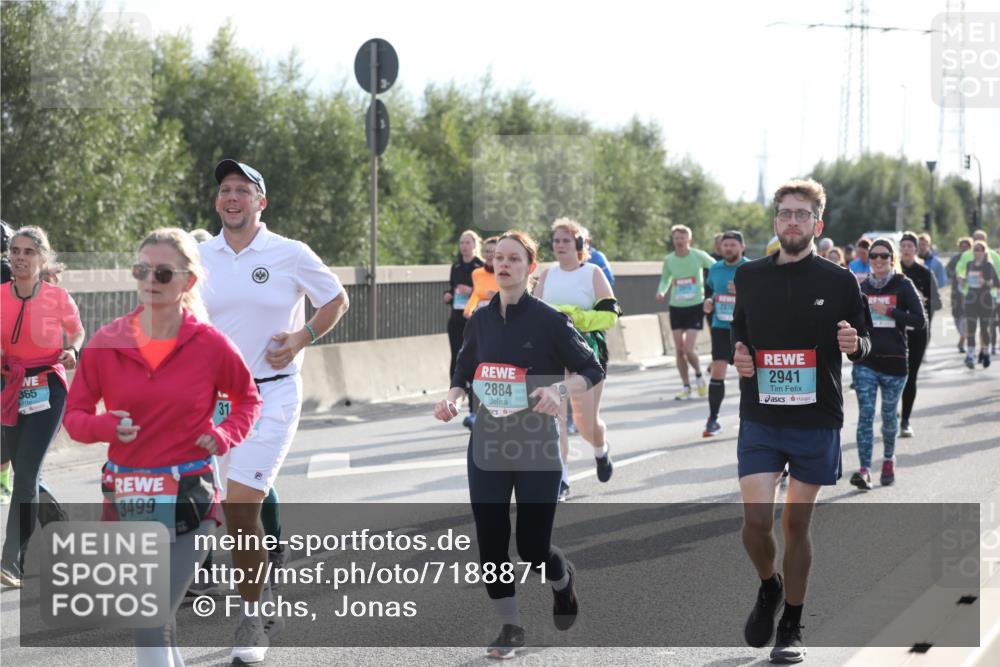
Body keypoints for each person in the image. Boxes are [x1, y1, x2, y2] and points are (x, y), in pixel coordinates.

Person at [63, 228, 262, 666]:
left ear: (188, 282)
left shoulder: (209, 344)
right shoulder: (107, 341)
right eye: (142, 269)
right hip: (128, 498)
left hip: (189, 496)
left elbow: (248, 398)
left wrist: (225, 434)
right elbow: (74, 417)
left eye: (164, 272)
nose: (150, 279)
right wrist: (104, 426)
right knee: (154, 621)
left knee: (150, 619)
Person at [200, 159, 349, 663]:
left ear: (261, 202)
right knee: (236, 510)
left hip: (273, 394)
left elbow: (336, 300)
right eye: (225, 189)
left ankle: (249, 622)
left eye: (243, 189)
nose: (233, 197)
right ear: (217, 201)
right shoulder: (199, 257)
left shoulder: (290, 253)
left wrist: (303, 335)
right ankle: (262, 596)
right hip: (217, 403)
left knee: (242, 506)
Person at [433, 230, 603, 659]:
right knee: (490, 541)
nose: (503, 264)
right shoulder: (481, 319)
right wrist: (453, 398)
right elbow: (465, 368)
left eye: (513, 259)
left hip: (535, 446)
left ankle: (562, 582)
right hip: (489, 444)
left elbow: (592, 368)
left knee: (532, 546)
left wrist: (559, 392)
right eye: (498, 259)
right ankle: (510, 625)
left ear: (531, 268)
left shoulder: (550, 320)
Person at [731, 178, 871, 663]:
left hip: (816, 419)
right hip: (761, 416)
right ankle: (769, 586)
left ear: (818, 223)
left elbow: (866, 338)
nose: (793, 221)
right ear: (776, 220)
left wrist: (856, 342)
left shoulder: (839, 281)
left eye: (802, 214)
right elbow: (738, 332)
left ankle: (791, 623)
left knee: (795, 522)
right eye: (785, 213)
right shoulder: (748, 277)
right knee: (754, 523)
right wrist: (739, 354)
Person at [0, 226, 85, 587]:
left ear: (42, 258)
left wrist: (73, 350)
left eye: (28, 252)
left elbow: (77, 331)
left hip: (47, 387)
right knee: (15, 462)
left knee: (27, 473)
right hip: (8, 385)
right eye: (15, 251)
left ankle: (10, 562)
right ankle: (55, 523)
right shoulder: (0, 295)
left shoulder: (57, 297)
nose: (20, 257)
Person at [534, 219, 618, 501]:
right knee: (554, 418)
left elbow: (610, 314)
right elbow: (532, 311)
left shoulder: (593, 273)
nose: (560, 246)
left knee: (585, 422)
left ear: (580, 244)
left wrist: (576, 317)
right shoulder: (546, 275)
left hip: (586, 350)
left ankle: (600, 449)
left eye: (566, 241)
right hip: (552, 352)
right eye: (556, 241)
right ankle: (562, 479)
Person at [850, 238, 926, 489]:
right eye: (874, 256)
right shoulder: (861, 287)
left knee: (889, 418)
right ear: (869, 259)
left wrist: (889, 311)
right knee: (865, 415)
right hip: (866, 362)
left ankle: (888, 459)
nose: (879, 260)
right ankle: (863, 469)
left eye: (884, 256)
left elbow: (919, 320)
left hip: (895, 362)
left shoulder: (903, 285)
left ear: (892, 259)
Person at [655, 225, 716, 400]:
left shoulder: (698, 255)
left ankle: (698, 375)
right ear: (673, 240)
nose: (679, 241)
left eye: (682, 238)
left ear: (688, 240)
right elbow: (665, 279)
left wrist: (715, 283)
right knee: (679, 351)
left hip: (695, 305)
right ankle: (686, 386)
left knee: (689, 349)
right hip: (676, 307)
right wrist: (662, 291)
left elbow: (716, 266)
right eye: (676, 238)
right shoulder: (669, 259)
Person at [702, 230, 749, 437]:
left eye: (733, 245)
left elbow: (762, 298)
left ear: (742, 248)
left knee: (744, 372)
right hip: (720, 327)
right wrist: (710, 301)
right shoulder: (715, 268)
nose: (728, 248)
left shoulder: (749, 269)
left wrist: (742, 292)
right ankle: (713, 419)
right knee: (718, 371)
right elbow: (713, 291)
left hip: (745, 328)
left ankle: (747, 418)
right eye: (725, 245)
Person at [899, 232, 941, 438]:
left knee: (910, 376)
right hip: (894, 332)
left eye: (910, 246)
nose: (906, 249)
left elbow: (937, 303)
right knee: (893, 376)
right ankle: (893, 411)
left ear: (916, 249)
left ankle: (905, 420)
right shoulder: (893, 271)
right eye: (903, 246)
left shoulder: (925, 273)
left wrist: (921, 305)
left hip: (918, 332)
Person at [445, 230, 485, 428]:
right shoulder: (456, 265)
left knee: (475, 359)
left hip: (474, 319)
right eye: (461, 242)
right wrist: (448, 295)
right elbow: (451, 287)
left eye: (468, 242)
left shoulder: (481, 267)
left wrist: (470, 292)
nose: (464, 246)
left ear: (475, 244)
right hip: (456, 318)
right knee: (457, 359)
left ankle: (475, 405)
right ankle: (456, 395)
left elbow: (482, 291)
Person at [957, 240, 999, 369]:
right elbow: (966, 282)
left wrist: (985, 282)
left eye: (980, 249)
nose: (977, 252)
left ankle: (985, 352)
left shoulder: (988, 266)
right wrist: (962, 280)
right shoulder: (969, 264)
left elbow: (997, 284)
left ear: (984, 251)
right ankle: (970, 355)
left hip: (985, 300)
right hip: (971, 299)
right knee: (971, 327)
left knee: (985, 327)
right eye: (975, 249)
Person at [947, 237, 973, 353]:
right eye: (962, 246)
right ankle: (963, 335)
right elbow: (947, 272)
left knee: (967, 317)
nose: (964, 248)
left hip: (972, 294)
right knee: (957, 315)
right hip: (956, 293)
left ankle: (963, 339)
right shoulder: (955, 259)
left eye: (966, 246)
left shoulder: (974, 259)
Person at [464, 236, 499, 317]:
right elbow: (476, 294)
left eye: (493, 252)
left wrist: (498, 297)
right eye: (487, 251)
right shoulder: (476, 273)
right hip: (480, 316)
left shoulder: (505, 273)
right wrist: (468, 310)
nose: (489, 255)